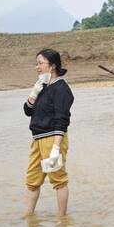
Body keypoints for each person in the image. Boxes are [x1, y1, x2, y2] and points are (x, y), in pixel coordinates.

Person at [23, 48, 74, 216]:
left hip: (53, 139)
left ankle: (62, 220)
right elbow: (27, 111)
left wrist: (56, 148)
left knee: (58, 180)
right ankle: (28, 217)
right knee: (32, 180)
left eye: (40, 63)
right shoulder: (42, 86)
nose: (37, 67)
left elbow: (61, 119)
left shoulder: (61, 89)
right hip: (37, 139)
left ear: (52, 66)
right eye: (36, 63)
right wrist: (34, 93)